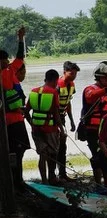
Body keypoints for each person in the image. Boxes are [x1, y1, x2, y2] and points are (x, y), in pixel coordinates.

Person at [1, 27, 30, 191]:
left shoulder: (10, 70)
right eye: (3, 60)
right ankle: (16, 182)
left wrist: (21, 39)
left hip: (17, 119)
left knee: (20, 150)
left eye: (6, 59)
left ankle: (17, 180)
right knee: (14, 151)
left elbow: (20, 56)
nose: (6, 62)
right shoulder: (5, 72)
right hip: (9, 121)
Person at [24, 69, 63, 185]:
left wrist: (32, 123)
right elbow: (56, 114)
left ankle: (44, 181)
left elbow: (26, 112)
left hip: (36, 129)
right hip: (50, 129)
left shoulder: (33, 92)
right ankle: (52, 177)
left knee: (42, 155)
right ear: (56, 80)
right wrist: (62, 129)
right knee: (53, 153)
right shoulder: (53, 92)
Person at [55, 61, 80, 181]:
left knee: (62, 146)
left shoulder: (71, 85)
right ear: (64, 72)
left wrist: (71, 120)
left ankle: (62, 173)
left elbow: (68, 102)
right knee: (56, 146)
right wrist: (59, 123)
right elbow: (52, 104)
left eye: (75, 73)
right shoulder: (58, 85)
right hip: (53, 118)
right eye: (71, 73)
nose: (73, 75)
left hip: (62, 117)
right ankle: (55, 175)